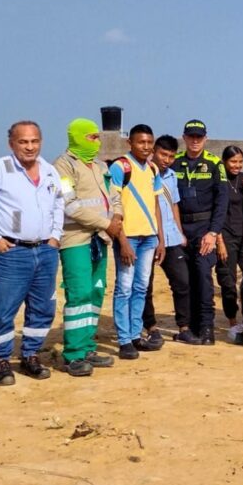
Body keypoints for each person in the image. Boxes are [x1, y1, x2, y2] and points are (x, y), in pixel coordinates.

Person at [0, 121, 64, 386]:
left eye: (34, 141)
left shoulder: (49, 171)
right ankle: (0, 360)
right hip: (10, 252)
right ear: (11, 143)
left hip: (45, 251)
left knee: (42, 307)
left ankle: (31, 355)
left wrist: (55, 237)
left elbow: (59, 204)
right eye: (23, 141)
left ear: (41, 142)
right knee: (2, 309)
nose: (29, 147)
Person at [53, 119, 122, 377]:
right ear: (77, 137)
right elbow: (69, 205)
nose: (96, 142)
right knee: (79, 294)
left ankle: (88, 346)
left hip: (100, 239)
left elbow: (114, 195)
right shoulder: (63, 165)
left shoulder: (101, 165)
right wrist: (106, 223)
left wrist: (116, 218)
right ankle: (73, 354)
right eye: (91, 137)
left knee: (95, 293)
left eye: (97, 137)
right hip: (76, 240)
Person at [108, 125, 165, 360]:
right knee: (124, 288)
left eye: (149, 142)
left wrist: (161, 238)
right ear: (129, 143)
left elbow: (156, 205)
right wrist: (122, 242)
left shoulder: (152, 168)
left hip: (149, 238)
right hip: (128, 237)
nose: (146, 147)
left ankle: (134, 335)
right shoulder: (120, 167)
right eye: (141, 142)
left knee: (141, 288)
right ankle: (123, 340)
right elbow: (113, 207)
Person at [172, 120, 228, 346]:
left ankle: (206, 329)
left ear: (206, 138)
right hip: (180, 230)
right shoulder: (175, 163)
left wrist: (213, 233)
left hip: (205, 230)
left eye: (199, 137)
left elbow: (222, 201)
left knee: (204, 278)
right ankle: (188, 327)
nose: (195, 141)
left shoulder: (215, 164)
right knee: (184, 281)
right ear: (184, 138)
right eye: (191, 136)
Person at [150, 135, 198, 345]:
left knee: (182, 283)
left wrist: (180, 233)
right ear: (154, 151)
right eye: (163, 154)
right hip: (148, 237)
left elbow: (174, 204)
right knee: (145, 286)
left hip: (171, 237)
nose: (166, 160)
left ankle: (184, 328)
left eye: (170, 156)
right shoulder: (144, 173)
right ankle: (151, 327)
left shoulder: (171, 176)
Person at [216, 145, 243, 342]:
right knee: (228, 281)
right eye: (233, 162)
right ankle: (232, 320)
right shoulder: (220, 180)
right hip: (226, 236)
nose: (237, 165)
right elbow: (216, 213)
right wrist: (219, 241)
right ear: (224, 161)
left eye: (240, 161)